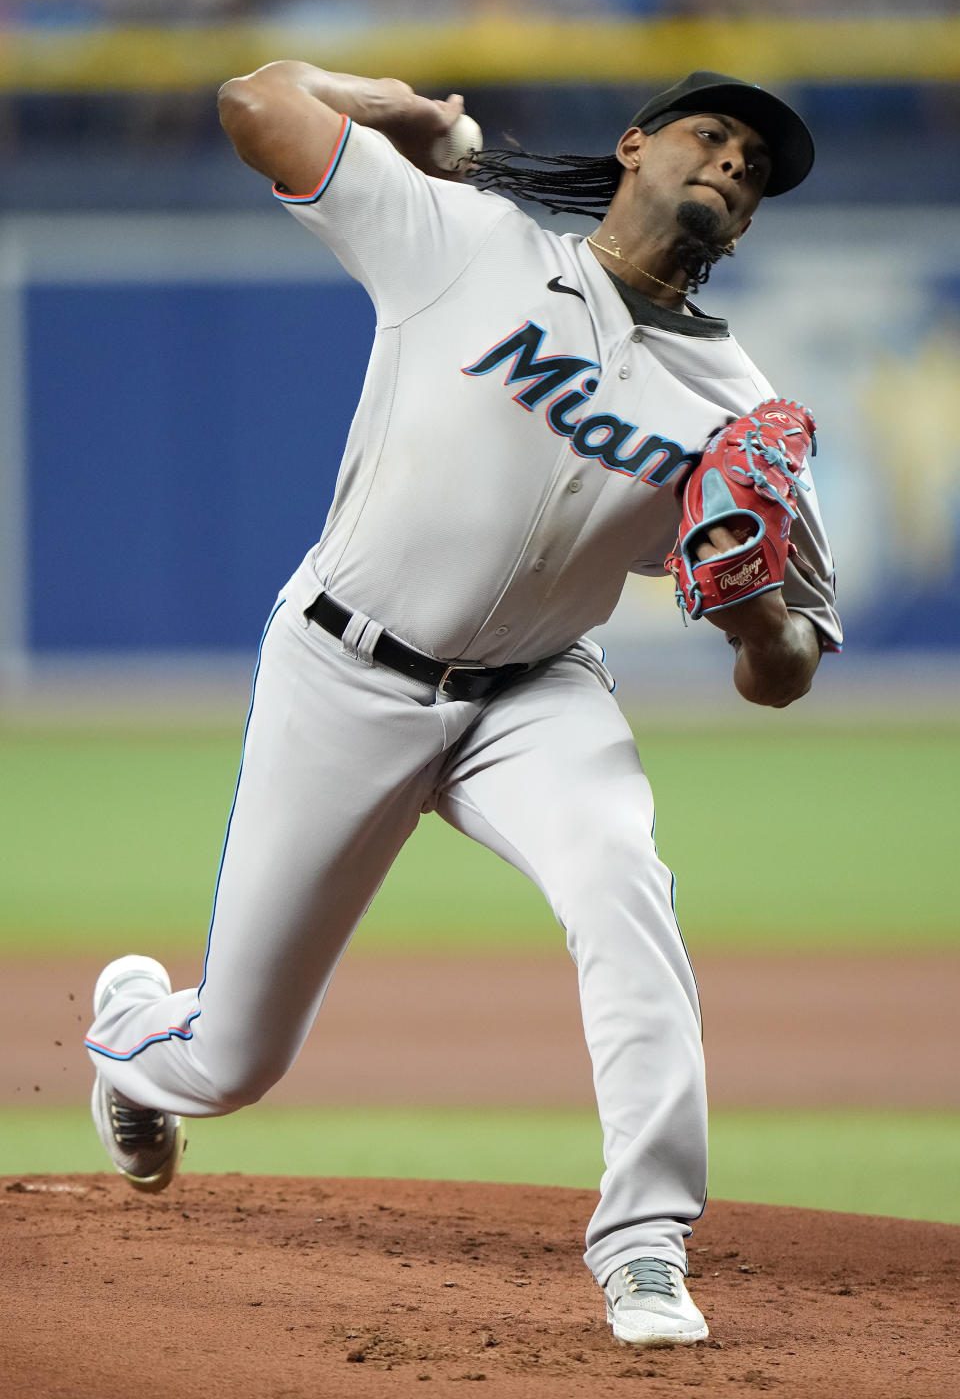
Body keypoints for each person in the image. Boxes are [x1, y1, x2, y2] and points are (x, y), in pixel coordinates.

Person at [84, 67, 841, 1348]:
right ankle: (131, 1036)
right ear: (635, 146)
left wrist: (758, 617)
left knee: (622, 882)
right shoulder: (469, 243)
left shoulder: (741, 416)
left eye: (756, 168)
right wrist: (412, 118)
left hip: (537, 696)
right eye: (713, 137)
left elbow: (791, 668)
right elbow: (250, 101)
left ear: (753, 220)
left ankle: (646, 1244)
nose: (733, 165)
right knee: (234, 1064)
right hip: (344, 669)